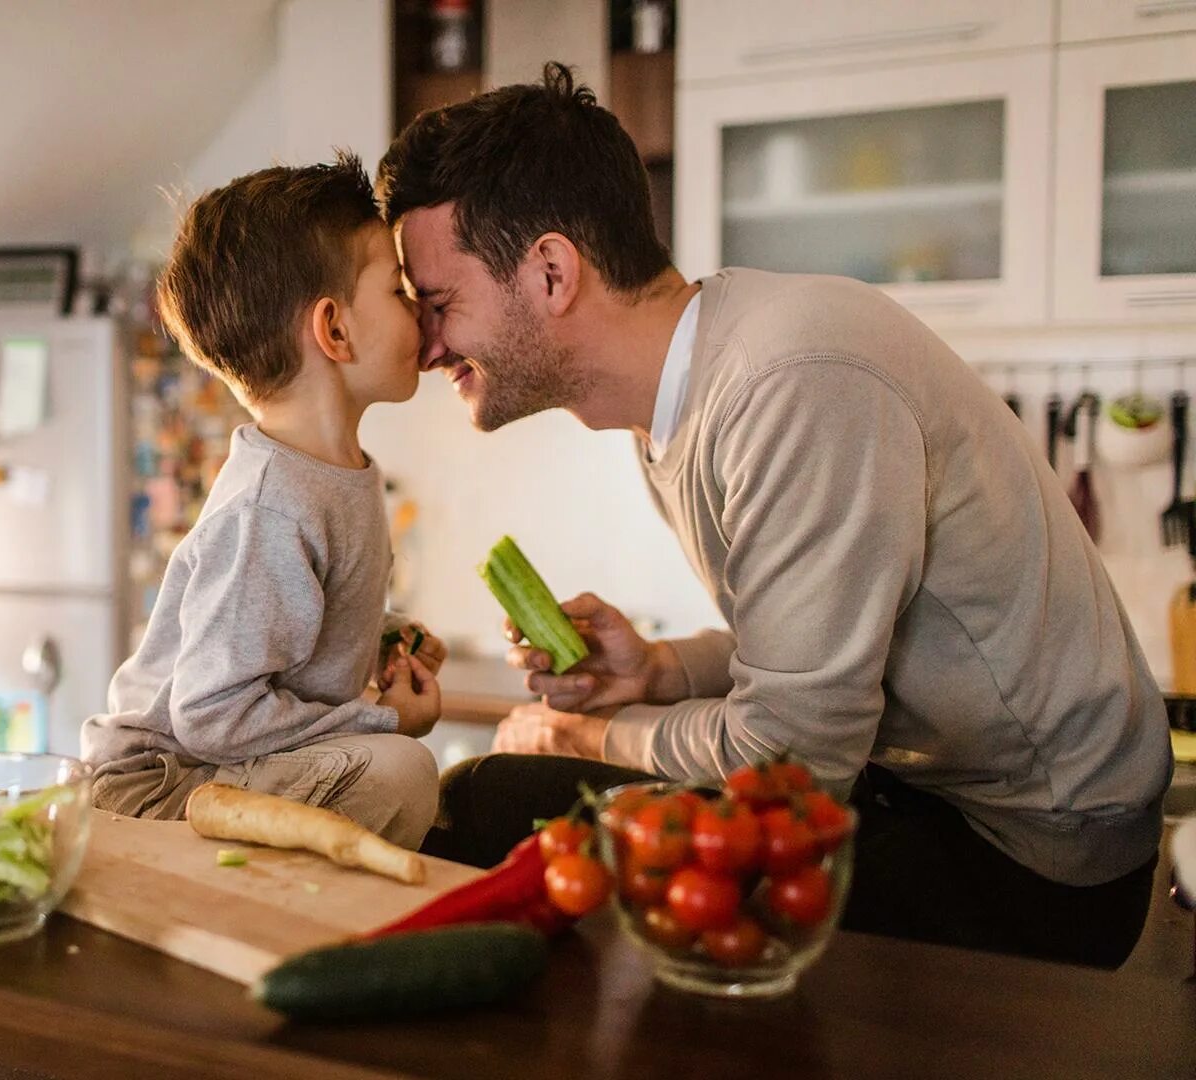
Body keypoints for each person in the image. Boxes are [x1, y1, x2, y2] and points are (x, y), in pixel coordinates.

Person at [378, 64, 1174, 962]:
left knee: (493, 796)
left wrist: (587, 733)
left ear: (553, 271)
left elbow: (794, 765)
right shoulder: (680, 400)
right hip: (933, 793)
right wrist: (662, 671)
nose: (427, 344)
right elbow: (841, 641)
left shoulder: (791, 383)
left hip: (1029, 854)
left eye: (440, 303)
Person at [82, 154, 446, 850]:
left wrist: (379, 635)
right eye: (398, 291)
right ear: (335, 331)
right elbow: (212, 712)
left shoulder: (332, 476)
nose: (420, 308)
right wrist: (383, 720)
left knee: (398, 773)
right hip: (161, 784)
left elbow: (288, 629)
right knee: (400, 771)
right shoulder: (270, 507)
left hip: (214, 759)